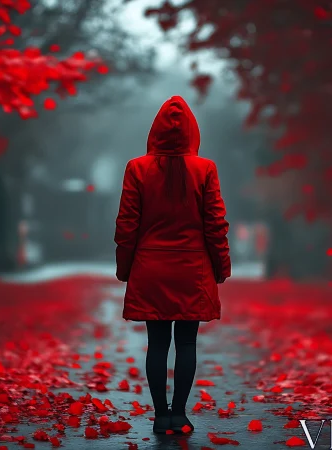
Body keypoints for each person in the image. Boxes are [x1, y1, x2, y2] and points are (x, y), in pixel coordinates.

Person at [114, 96, 232, 434]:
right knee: (186, 343)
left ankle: (160, 414)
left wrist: (126, 269)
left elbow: (126, 225)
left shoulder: (137, 168)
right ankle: (179, 412)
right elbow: (215, 224)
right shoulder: (205, 169)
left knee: (158, 343)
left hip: (150, 267)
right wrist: (220, 267)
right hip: (192, 269)